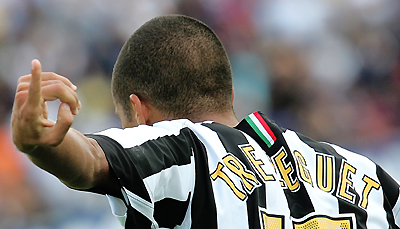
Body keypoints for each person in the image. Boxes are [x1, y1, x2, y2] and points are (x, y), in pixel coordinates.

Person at [11, 15, 400, 229]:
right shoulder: (368, 174)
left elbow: (92, 161)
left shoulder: (185, 149)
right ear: (230, 95)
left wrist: (41, 143)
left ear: (140, 111)